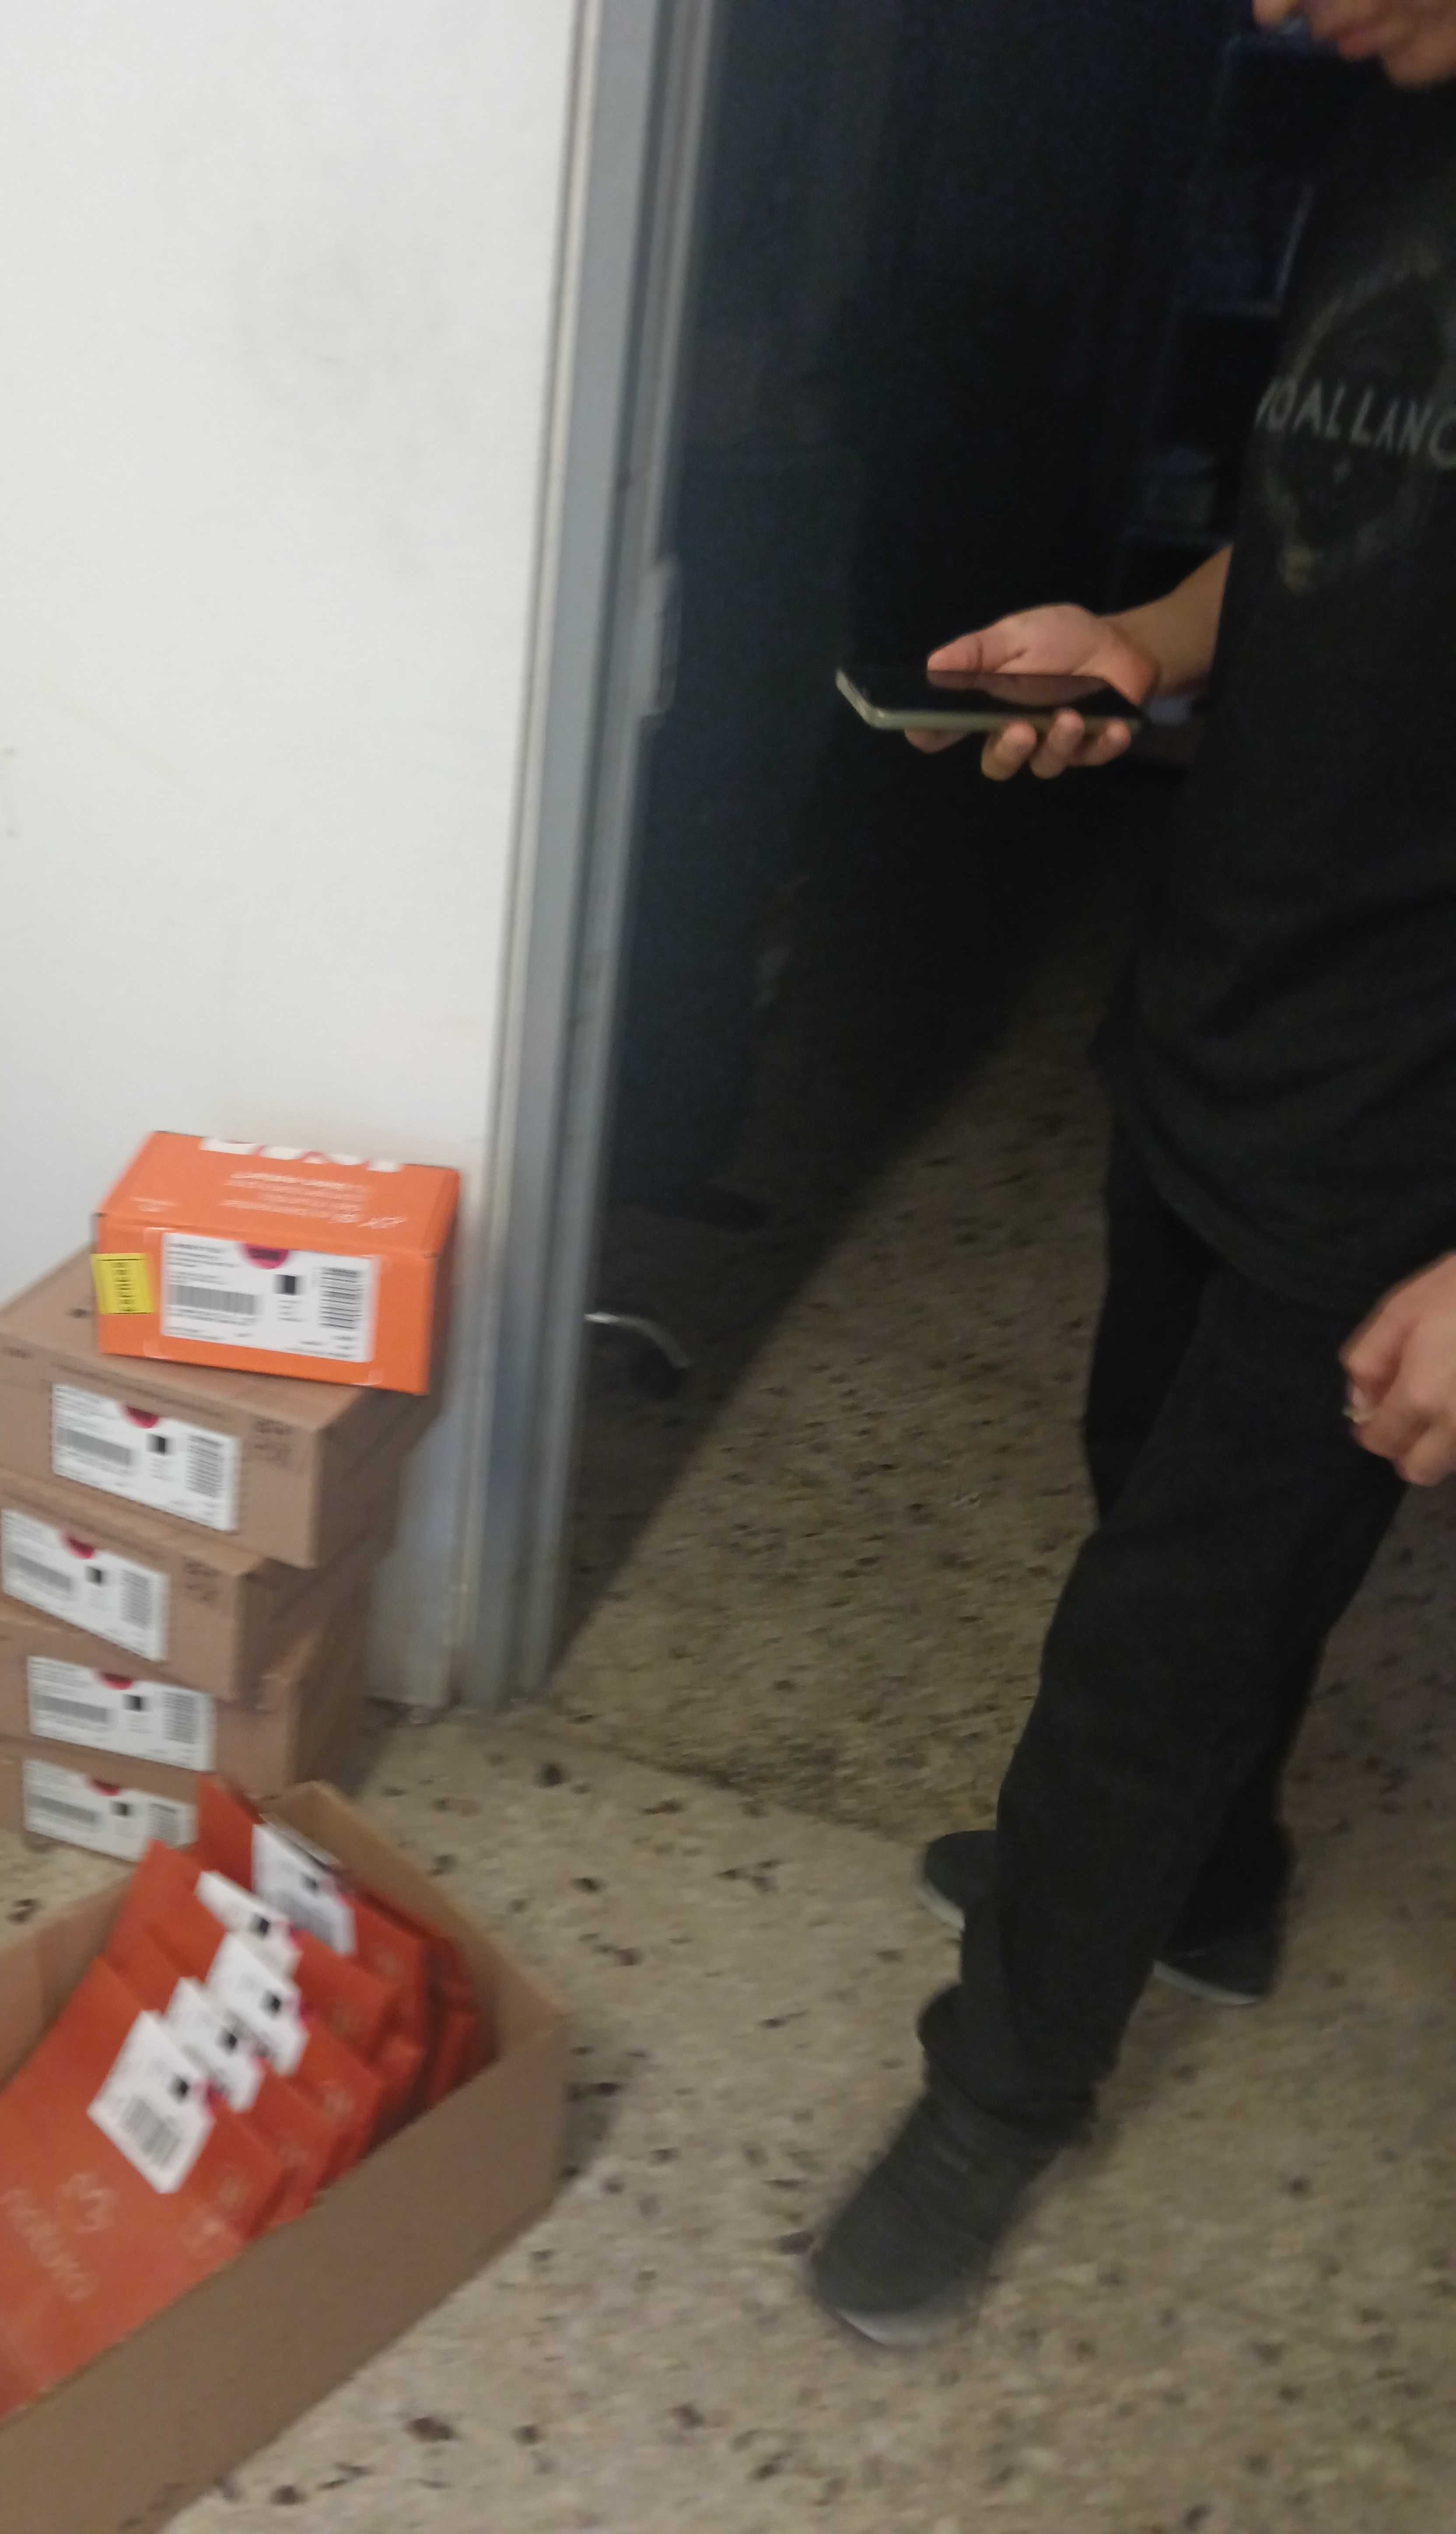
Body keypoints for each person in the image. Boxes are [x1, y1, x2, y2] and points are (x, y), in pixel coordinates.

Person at [807, 0, 1456, 2347]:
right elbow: (1314, 556)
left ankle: (997, 2093)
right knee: (1143, 1485)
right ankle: (1216, 1880)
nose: (1262, 4)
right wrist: (1138, 653)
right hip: (1221, 1001)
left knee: (1148, 1641)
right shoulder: (1385, 146)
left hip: (1405, 1119)